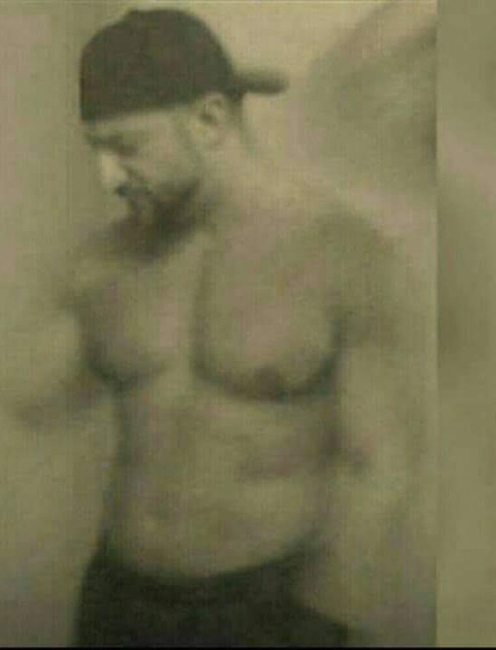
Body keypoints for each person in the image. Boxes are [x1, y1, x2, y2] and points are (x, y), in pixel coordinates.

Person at [42, 8, 430, 647]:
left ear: (210, 120)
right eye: (96, 151)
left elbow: (382, 466)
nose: (107, 179)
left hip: (267, 613)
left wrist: (328, 621)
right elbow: (13, 410)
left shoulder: (344, 256)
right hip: (118, 603)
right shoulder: (105, 263)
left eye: (125, 147)